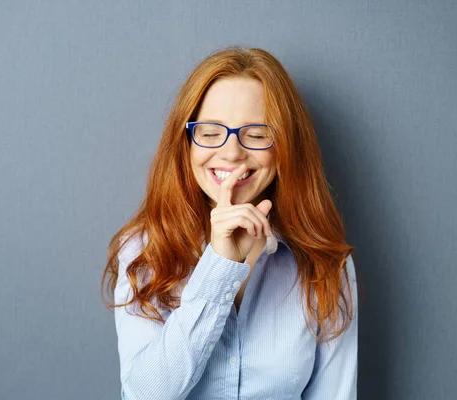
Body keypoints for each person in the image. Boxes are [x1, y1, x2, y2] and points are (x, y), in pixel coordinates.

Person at [101, 47, 358, 400]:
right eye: (210, 132)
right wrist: (219, 267)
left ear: (284, 146)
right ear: (186, 142)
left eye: (255, 134)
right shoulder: (143, 251)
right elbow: (144, 395)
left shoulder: (326, 267)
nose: (233, 153)